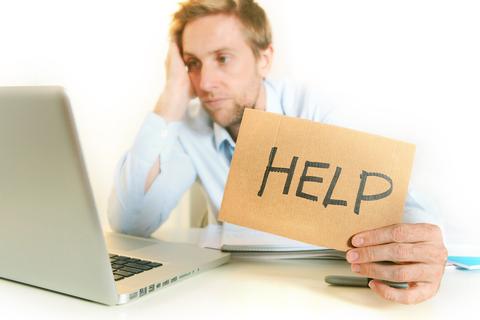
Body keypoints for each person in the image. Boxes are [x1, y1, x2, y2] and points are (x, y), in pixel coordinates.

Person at [108, 0, 447, 304]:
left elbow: (398, 202)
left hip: (329, 293)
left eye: (223, 58)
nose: (206, 83)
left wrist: (422, 251)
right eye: (192, 64)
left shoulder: (315, 107)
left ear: (264, 59)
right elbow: (131, 223)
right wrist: (170, 98)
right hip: (239, 294)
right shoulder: (193, 126)